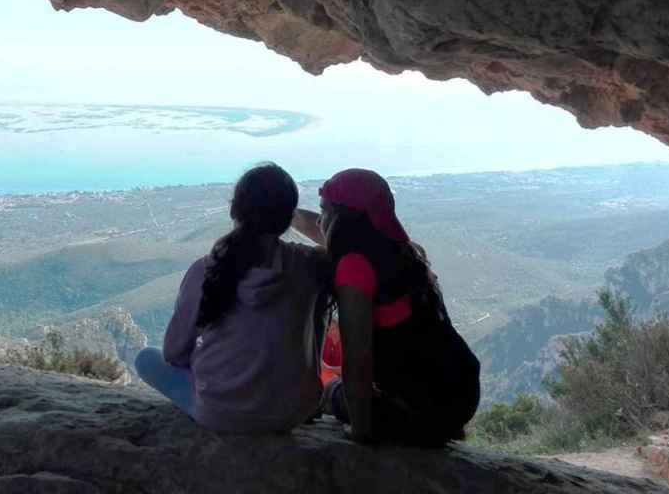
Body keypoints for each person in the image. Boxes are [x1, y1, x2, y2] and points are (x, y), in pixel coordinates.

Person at [134, 163, 328, 434]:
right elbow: (341, 244)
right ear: (286, 217)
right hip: (293, 412)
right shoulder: (311, 265)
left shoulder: (206, 270)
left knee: (145, 358)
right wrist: (291, 216)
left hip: (221, 414)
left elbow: (174, 353)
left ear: (234, 209)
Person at [291, 168, 480, 445]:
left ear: (342, 219)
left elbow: (358, 357)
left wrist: (360, 430)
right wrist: (282, 212)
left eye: (325, 210)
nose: (320, 219)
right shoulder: (402, 250)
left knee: (331, 390)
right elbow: (323, 228)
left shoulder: (354, 269)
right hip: (461, 393)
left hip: (419, 410)